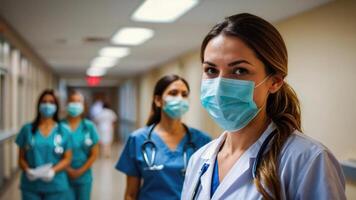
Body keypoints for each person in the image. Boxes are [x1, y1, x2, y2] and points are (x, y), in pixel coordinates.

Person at [181, 13, 346, 200]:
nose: (219, 86)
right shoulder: (199, 160)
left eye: (239, 70)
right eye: (211, 70)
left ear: (274, 82)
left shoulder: (307, 160)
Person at [116, 75, 211, 200]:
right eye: (173, 93)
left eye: (184, 94)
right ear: (158, 100)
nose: (180, 98)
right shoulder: (138, 139)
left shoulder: (202, 140)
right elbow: (131, 194)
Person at [15, 89, 72, 199]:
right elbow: (21, 158)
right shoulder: (27, 130)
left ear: (56, 106)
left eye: (51, 102)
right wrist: (27, 170)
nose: (47, 105)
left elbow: (67, 158)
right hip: (31, 186)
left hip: (56, 185)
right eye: (44, 102)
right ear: (39, 105)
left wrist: (52, 171)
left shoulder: (64, 130)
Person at [61, 91, 100, 200]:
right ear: (67, 104)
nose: (75, 104)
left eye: (78, 102)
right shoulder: (59, 126)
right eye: (72, 101)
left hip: (84, 176)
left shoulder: (89, 127)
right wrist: (68, 169)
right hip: (62, 174)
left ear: (83, 105)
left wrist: (80, 171)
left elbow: (94, 154)